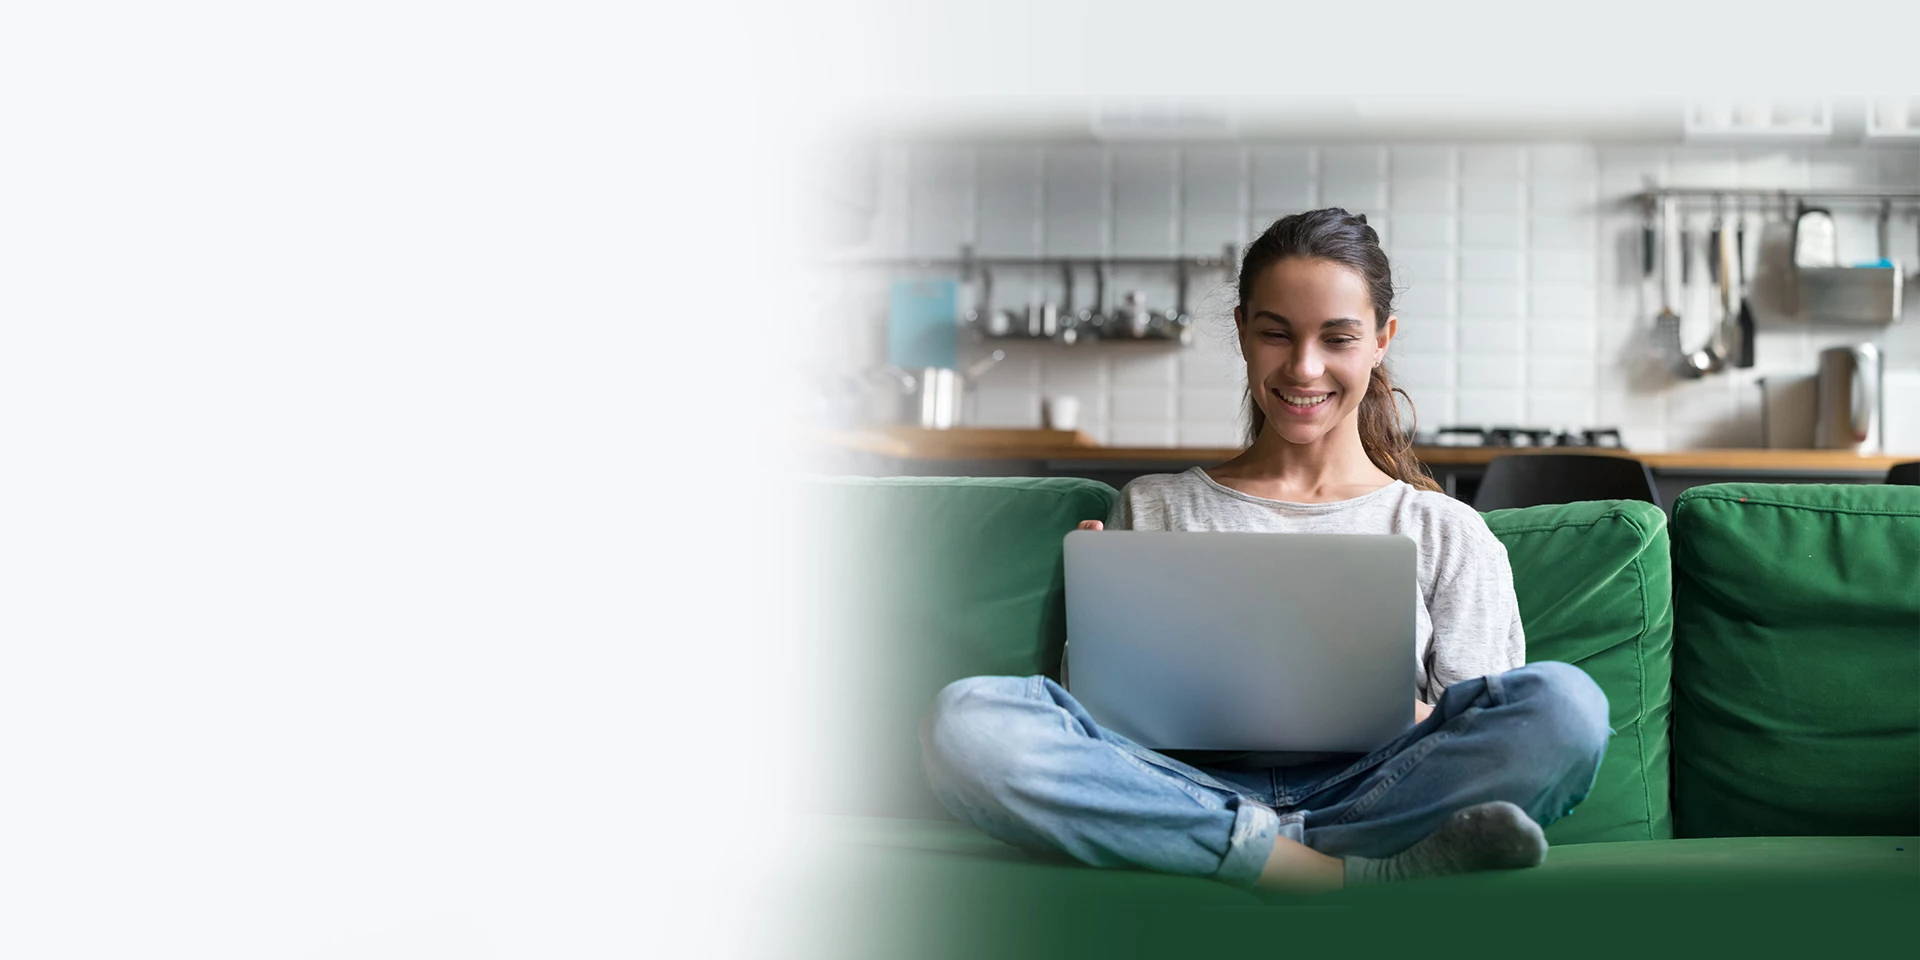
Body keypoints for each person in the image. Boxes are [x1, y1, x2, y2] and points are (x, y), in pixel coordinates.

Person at [918, 208, 1612, 895]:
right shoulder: (1156, 505)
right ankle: (1312, 871)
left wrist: (1407, 714)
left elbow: (1481, 724)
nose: (1304, 368)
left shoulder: (1444, 528)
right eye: (1276, 334)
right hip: (1184, 788)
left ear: (1381, 340)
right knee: (969, 722)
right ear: (1245, 334)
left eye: (1337, 338)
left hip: (1373, 795)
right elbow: (1104, 729)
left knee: (1568, 706)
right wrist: (1097, 613)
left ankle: (1228, 854)